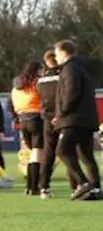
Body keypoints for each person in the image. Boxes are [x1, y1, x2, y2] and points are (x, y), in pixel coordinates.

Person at [51, 40, 101, 200]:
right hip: (86, 118)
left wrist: (61, 114)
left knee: (62, 150)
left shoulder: (70, 68)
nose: (56, 58)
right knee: (86, 156)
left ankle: (84, 183)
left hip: (73, 119)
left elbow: (71, 93)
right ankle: (96, 189)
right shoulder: (83, 67)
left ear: (64, 52)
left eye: (57, 54)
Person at [35, 49, 72, 197]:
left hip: (47, 120)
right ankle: (75, 185)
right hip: (62, 117)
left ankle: (44, 186)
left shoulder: (41, 81)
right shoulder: (64, 76)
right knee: (69, 151)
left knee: (48, 153)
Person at [9, 61, 45, 195]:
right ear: (37, 70)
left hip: (23, 120)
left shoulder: (16, 87)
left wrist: (15, 118)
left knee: (31, 154)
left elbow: (10, 103)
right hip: (36, 118)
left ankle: (29, 186)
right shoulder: (37, 83)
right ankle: (34, 186)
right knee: (37, 153)